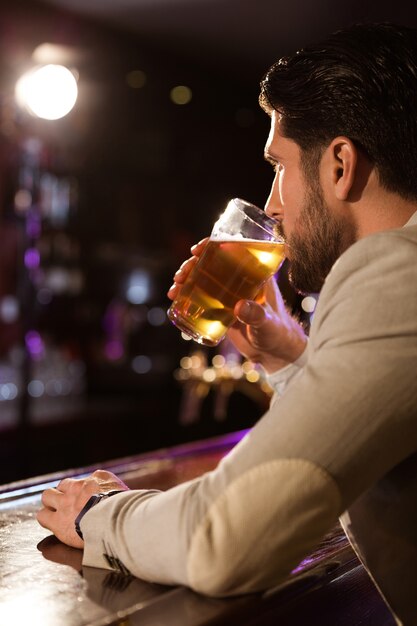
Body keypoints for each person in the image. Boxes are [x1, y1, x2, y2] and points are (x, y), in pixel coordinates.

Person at [37, 22, 417, 625]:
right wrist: (286, 354)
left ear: (341, 164)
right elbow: (363, 447)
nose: (271, 204)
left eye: (279, 166)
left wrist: (99, 514)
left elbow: (227, 537)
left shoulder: (394, 267)